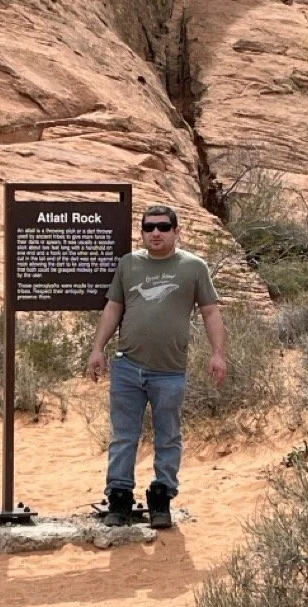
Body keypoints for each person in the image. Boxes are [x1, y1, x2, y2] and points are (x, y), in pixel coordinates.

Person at [87, 204, 227, 528]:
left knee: (168, 437)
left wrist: (218, 353)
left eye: (163, 227)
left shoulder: (193, 267)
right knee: (124, 437)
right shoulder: (129, 264)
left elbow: (210, 312)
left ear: (177, 231)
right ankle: (119, 500)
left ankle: (161, 498)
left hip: (170, 371)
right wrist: (98, 349)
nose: (156, 233)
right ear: (142, 232)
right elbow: (113, 307)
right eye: (149, 227)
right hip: (127, 368)